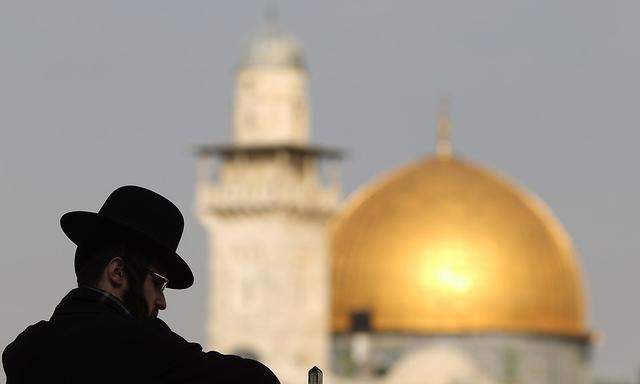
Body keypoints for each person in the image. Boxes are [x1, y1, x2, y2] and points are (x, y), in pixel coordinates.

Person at [2, 185, 280, 384]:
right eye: (158, 284)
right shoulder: (141, 344)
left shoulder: (26, 349)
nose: (161, 302)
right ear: (118, 272)